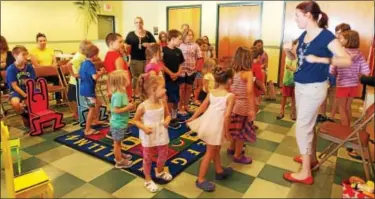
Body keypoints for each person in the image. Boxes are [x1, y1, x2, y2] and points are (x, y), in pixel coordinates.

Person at [282, 1, 351, 185]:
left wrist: (322, 59)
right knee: (308, 125)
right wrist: (288, 51)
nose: (295, 19)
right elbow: (297, 59)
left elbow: (347, 60)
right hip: (301, 85)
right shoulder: (305, 34)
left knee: (302, 128)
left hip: (314, 88)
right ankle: (310, 159)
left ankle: (305, 172)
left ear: (308, 15)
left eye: (297, 16)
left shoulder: (326, 37)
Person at [186, 66, 235, 192]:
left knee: (216, 148)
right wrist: (227, 132)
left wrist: (193, 117)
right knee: (210, 152)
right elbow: (227, 116)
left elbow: (203, 107)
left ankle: (219, 171)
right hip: (216, 126)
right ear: (229, 81)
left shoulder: (211, 92)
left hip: (208, 123)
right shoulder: (230, 96)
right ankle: (200, 179)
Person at [133, 75, 172, 193]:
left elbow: (168, 115)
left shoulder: (163, 102)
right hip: (148, 134)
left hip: (161, 132)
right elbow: (136, 120)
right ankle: (148, 179)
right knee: (147, 157)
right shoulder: (143, 106)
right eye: (163, 88)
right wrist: (144, 128)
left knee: (163, 153)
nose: (165, 90)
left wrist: (167, 120)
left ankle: (159, 171)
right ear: (153, 90)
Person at [331, 30, 370, 126]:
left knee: (341, 108)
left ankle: (345, 131)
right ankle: (349, 128)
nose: (339, 40)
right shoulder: (359, 54)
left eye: (341, 38)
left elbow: (332, 68)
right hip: (354, 85)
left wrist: (333, 72)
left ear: (347, 40)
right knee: (348, 107)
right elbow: (366, 70)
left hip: (343, 84)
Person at [226, 47, 257, 164]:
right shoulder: (248, 73)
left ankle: (231, 148)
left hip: (234, 105)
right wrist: (252, 110)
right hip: (243, 106)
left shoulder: (234, 72)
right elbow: (249, 92)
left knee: (235, 128)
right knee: (242, 133)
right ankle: (238, 155)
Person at [317, 23, 351, 122]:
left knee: (335, 95)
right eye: (337, 32)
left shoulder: (347, 46)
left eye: (341, 33)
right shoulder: (331, 41)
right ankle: (321, 114)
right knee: (323, 93)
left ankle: (331, 116)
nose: (338, 35)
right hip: (326, 70)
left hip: (338, 72)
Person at [108, 70, 135, 168]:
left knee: (118, 142)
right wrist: (128, 107)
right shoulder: (119, 94)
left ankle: (119, 154)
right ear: (122, 81)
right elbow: (115, 110)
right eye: (127, 78)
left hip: (121, 122)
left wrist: (128, 103)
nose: (129, 79)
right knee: (117, 143)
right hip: (118, 123)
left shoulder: (121, 92)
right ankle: (119, 161)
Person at [79, 44, 107, 136]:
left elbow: (86, 74)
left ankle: (95, 120)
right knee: (91, 108)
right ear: (94, 55)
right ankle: (87, 130)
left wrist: (98, 72)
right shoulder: (90, 64)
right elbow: (94, 77)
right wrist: (102, 72)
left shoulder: (83, 63)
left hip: (84, 87)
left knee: (98, 103)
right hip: (88, 90)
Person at [125, 17, 156, 98]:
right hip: (134, 59)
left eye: (140, 22)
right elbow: (125, 45)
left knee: (146, 76)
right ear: (134, 24)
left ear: (143, 23)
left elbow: (155, 44)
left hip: (146, 59)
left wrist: (148, 44)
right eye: (136, 22)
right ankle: (135, 93)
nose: (138, 24)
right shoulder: (131, 34)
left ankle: (144, 92)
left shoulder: (148, 34)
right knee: (136, 77)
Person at [6, 45, 36, 127]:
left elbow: (32, 82)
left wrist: (30, 94)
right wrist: (25, 96)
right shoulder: (11, 69)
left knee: (43, 97)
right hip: (16, 91)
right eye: (23, 54)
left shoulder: (29, 67)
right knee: (16, 103)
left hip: (29, 89)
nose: (26, 56)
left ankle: (38, 117)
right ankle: (24, 114)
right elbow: (14, 86)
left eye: (27, 54)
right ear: (15, 55)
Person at [30, 33, 62, 104]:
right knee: (40, 81)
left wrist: (52, 67)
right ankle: (43, 101)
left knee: (59, 78)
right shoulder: (33, 51)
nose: (43, 42)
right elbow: (36, 65)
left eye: (44, 40)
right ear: (37, 42)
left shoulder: (50, 50)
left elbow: (54, 62)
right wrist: (48, 68)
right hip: (40, 74)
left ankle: (59, 99)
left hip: (51, 73)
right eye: (40, 41)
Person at [66, 40, 92, 121]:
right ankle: (76, 113)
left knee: (75, 98)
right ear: (84, 49)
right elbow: (69, 64)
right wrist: (74, 74)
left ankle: (77, 113)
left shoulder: (80, 55)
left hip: (78, 81)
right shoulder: (80, 56)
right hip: (75, 82)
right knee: (74, 98)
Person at [162, 29, 184, 129]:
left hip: (176, 79)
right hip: (167, 79)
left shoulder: (179, 51)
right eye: (179, 39)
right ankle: (169, 117)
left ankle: (174, 116)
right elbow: (162, 65)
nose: (181, 41)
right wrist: (171, 74)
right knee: (169, 99)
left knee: (176, 98)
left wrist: (177, 73)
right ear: (173, 39)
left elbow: (180, 64)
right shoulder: (164, 50)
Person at [178, 29, 202, 115]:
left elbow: (199, 58)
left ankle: (186, 105)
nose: (190, 37)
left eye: (192, 35)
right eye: (188, 35)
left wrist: (196, 68)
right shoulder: (179, 45)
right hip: (181, 70)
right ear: (184, 35)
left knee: (188, 89)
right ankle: (180, 106)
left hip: (191, 70)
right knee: (181, 88)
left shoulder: (195, 46)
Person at [277, 40, 298, 120]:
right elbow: (288, 67)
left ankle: (293, 113)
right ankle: (281, 112)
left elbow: (296, 68)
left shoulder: (299, 56)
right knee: (284, 96)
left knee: (294, 98)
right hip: (288, 79)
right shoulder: (289, 56)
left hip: (296, 81)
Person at [250, 46, 266, 115]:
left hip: (248, 90)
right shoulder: (257, 66)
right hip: (255, 91)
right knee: (254, 109)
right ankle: (250, 124)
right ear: (259, 56)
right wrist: (264, 89)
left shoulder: (248, 64)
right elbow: (258, 81)